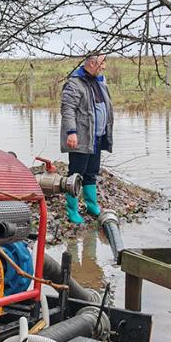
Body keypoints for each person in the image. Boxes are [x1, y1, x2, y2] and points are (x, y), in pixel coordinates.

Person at [59, 53, 114, 224]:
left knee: (91, 172)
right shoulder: (74, 83)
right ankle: (72, 211)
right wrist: (71, 132)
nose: (104, 66)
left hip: (96, 137)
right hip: (80, 137)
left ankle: (92, 206)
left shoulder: (100, 82)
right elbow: (67, 109)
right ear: (91, 63)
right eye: (102, 63)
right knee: (76, 174)